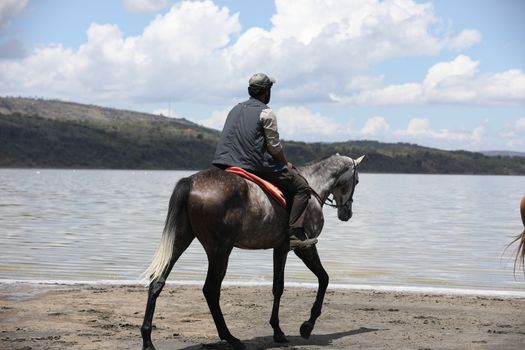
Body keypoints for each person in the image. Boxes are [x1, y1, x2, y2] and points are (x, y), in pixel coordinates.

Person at [213, 73, 317, 249]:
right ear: (266, 92)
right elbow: (274, 147)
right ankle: (294, 234)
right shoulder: (266, 112)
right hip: (255, 164)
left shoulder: (235, 108)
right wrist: (284, 163)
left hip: (224, 162)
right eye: (269, 90)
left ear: (249, 90)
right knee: (302, 188)